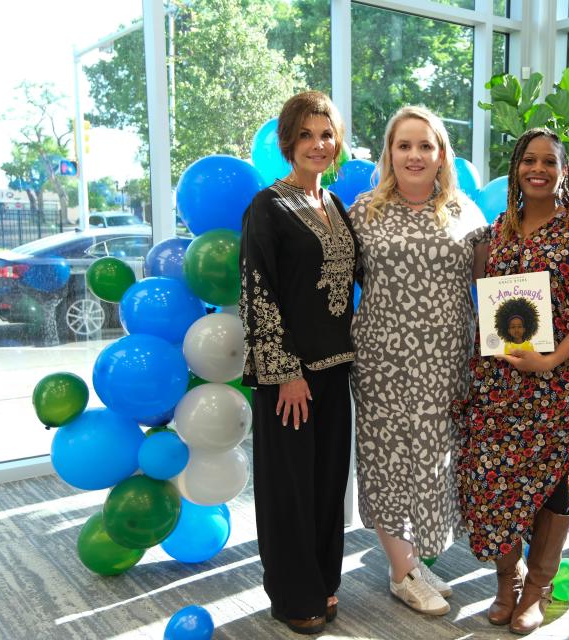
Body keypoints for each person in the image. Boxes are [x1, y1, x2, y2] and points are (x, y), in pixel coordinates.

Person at [456, 127, 569, 635]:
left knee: (553, 487)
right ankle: (507, 581)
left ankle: (538, 588)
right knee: (491, 479)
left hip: (561, 384)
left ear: (564, 171)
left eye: (549, 161)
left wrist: (550, 361)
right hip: (499, 383)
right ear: (516, 168)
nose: (538, 169)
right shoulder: (501, 228)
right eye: (529, 160)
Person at [348, 105, 487, 616]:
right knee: (387, 458)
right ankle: (403, 570)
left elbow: (490, 286)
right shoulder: (363, 211)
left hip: (448, 360)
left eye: (425, 145)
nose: (414, 155)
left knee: (434, 459)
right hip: (384, 360)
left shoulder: (465, 212)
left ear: (441, 153)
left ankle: (410, 558)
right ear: (389, 153)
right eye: (403, 145)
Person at [239, 91, 357, 636]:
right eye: (306, 135)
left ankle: (323, 580)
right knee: (290, 487)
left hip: (337, 371)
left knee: (328, 483)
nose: (318, 144)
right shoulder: (268, 206)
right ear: (288, 141)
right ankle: (293, 593)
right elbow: (257, 293)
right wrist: (285, 371)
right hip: (291, 377)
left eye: (326, 134)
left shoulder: (333, 205)